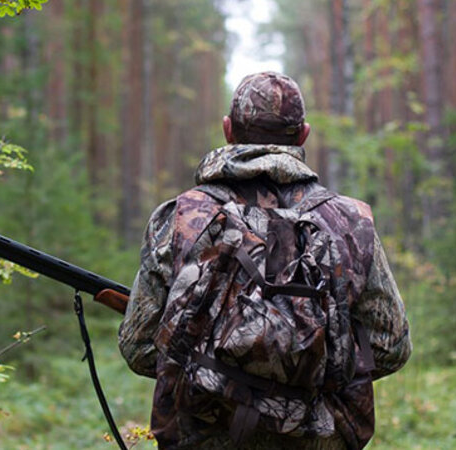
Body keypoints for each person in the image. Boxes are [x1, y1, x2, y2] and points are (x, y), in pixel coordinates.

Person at [117, 71, 411, 449]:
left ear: (228, 130)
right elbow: (391, 347)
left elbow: (139, 348)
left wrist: (219, 376)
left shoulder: (182, 218)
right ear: (303, 134)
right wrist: (312, 370)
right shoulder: (350, 221)